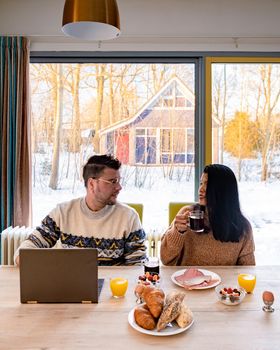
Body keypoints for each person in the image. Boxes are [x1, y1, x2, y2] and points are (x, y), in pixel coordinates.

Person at [14, 154, 146, 266]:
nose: (119, 187)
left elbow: (137, 266)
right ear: (92, 184)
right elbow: (25, 250)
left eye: (118, 181)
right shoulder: (62, 213)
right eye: (113, 181)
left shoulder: (129, 217)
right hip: (70, 290)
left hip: (113, 292)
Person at [160, 164, 255, 266]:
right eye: (201, 183)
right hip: (186, 281)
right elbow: (165, 259)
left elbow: (248, 270)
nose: (201, 189)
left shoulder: (243, 227)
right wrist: (177, 232)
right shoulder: (187, 214)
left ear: (223, 191)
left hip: (224, 282)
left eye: (207, 185)